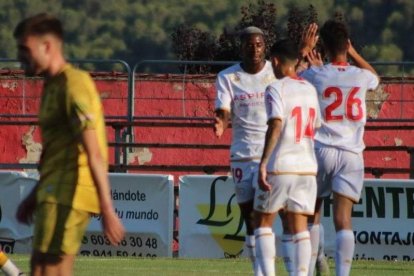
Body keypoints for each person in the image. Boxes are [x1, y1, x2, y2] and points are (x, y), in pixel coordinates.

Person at [14, 13, 125, 276]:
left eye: (25, 50)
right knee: (47, 269)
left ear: (48, 46)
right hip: (53, 190)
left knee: (46, 271)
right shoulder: (51, 86)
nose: (21, 59)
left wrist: (107, 209)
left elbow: (94, 151)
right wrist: (34, 194)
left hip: (70, 193)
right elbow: (55, 149)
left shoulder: (74, 84)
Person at [300, 20, 379, 276]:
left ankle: (310, 268)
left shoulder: (315, 74)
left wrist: (304, 52)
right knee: (343, 220)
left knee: (312, 214)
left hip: (320, 149)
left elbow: (291, 76)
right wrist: (354, 53)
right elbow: (375, 78)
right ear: (346, 43)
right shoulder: (361, 75)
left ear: (322, 45)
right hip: (350, 153)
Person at [254, 38, 321, 276]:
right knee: (299, 227)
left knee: (262, 222)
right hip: (307, 168)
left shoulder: (275, 88)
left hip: (281, 166)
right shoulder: (311, 89)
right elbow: (317, 126)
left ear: (275, 61)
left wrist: (263, 163)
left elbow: (276, 124)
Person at [214, 26, 277, 272]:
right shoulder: (227, 77)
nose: (254, 49)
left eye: (259, 44)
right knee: (251, 221)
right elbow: (223, 109)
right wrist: (221, 121)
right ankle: (258, 271)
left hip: (271, 157)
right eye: (249, 45)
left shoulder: (276, 72)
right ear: (241, 47)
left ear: (265, 46)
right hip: (242, 156)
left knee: (267, 219)